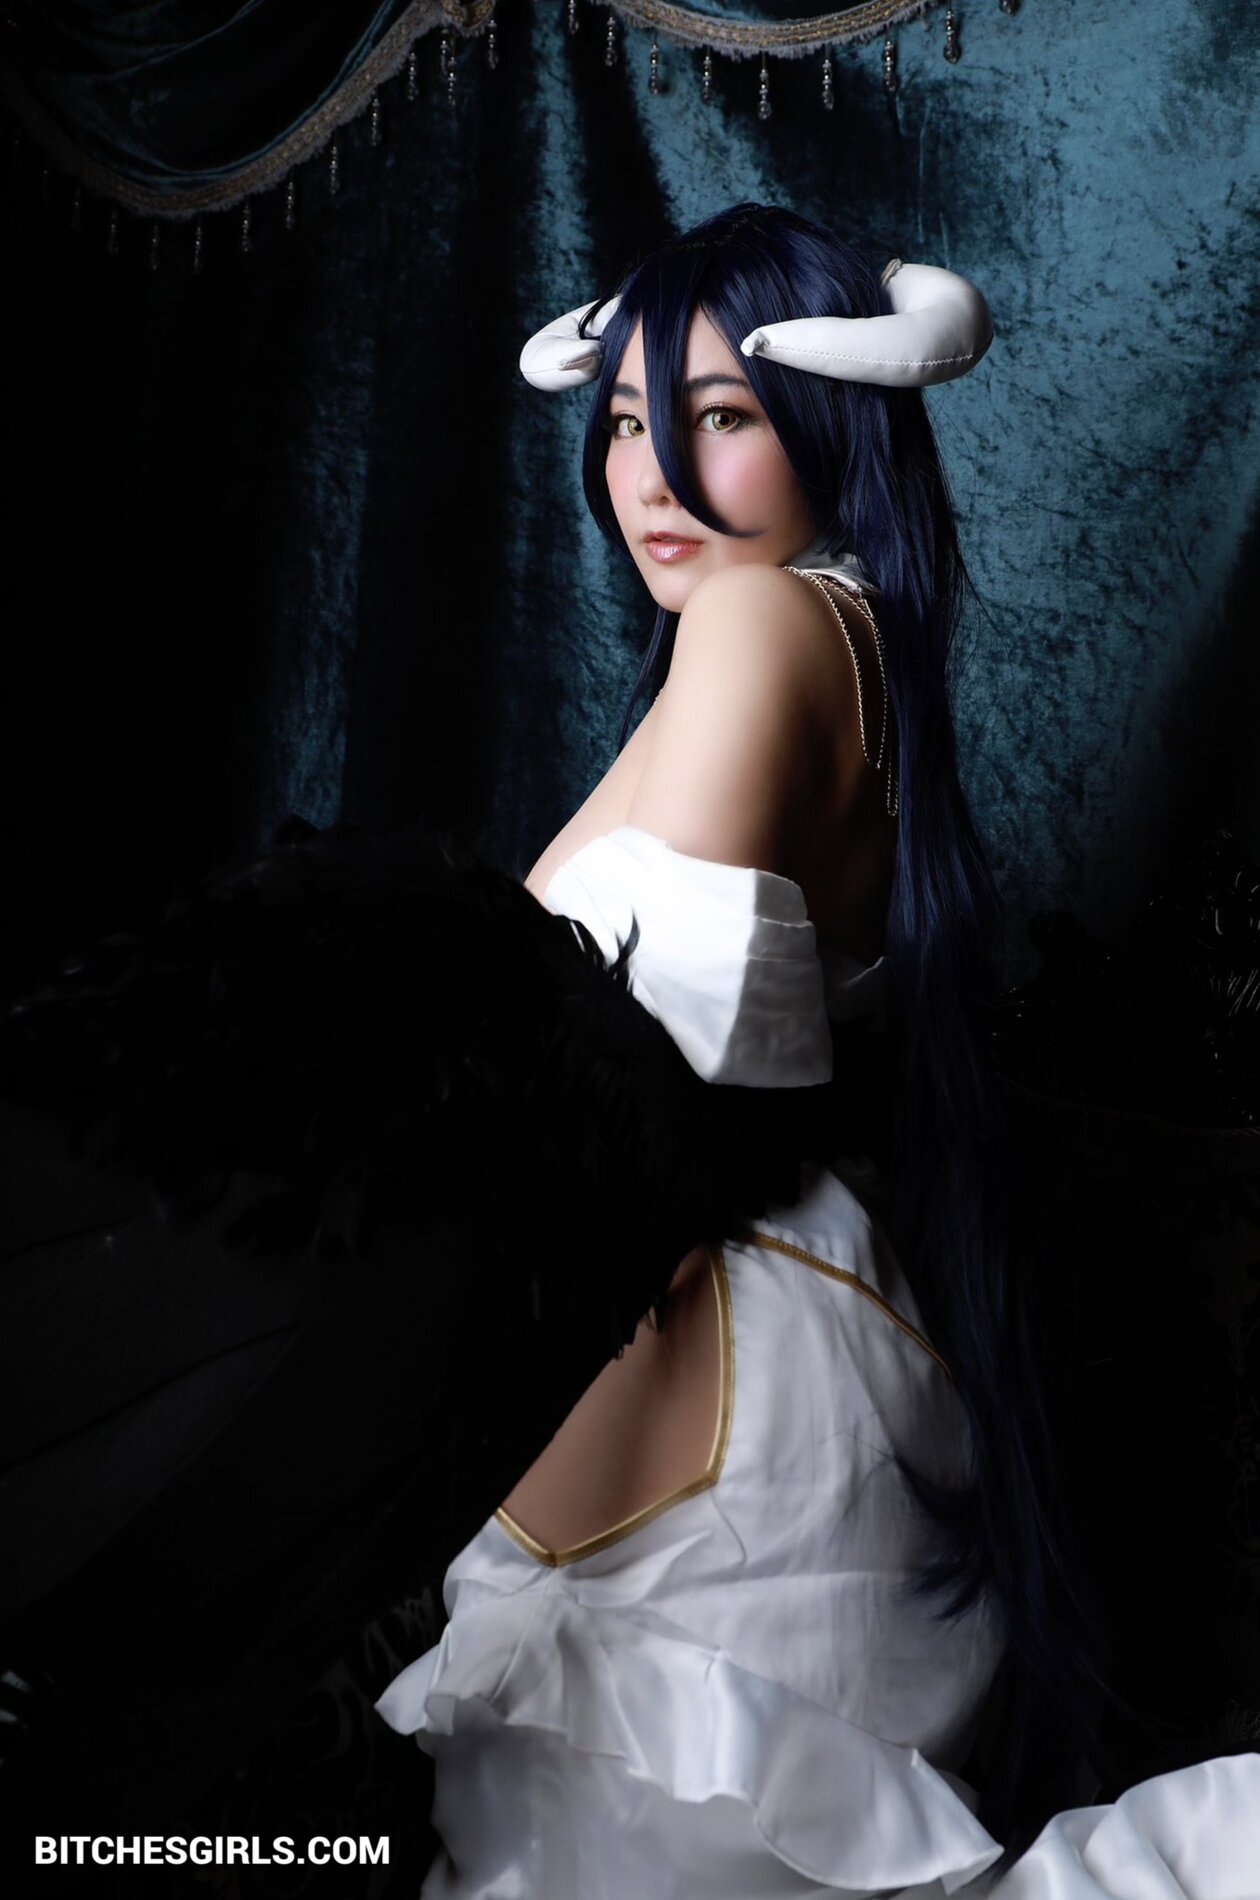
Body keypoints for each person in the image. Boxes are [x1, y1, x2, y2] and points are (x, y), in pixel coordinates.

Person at [373, 204, 1260, 1896]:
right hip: (722, 1390)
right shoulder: (824, 639)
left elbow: (635, 1075)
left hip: (701, 1414)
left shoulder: (762, 624)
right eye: (624, 421)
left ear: (835, 421)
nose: (649, 475)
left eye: (716, 415)